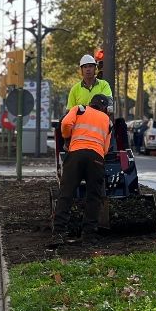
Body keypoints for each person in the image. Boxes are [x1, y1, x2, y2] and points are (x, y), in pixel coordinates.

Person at [49, 94, 113, 248]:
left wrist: (67, 137)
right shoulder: (107, 121)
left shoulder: (80, 109)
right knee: (94, 197)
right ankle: (89, 236)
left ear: (91, 103)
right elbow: (106, 148)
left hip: (76, 154)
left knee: (66, 194)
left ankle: (58, 234)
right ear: (104, 108)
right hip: (96, 157)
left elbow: (65, 124)